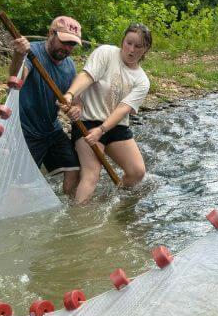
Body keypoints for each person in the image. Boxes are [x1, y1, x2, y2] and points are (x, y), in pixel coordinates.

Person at [62, 24, 152, 204]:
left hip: (114, 125)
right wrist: (70, 95)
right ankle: (78, 217)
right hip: (87, 121)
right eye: (128, 43)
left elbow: (122, 109)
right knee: (92, 173)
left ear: (145, 50)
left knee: (137, 172)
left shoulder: (142, 80)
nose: (131, 50)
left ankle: (111, 199)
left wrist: (102, 130)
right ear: (123, 41)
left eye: (138, 46)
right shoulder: (105, 53)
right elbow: (87, 76)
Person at [9, 15, 83, 197]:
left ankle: (68, 211)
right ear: (50, 33)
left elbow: (75, 99)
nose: (67, 48)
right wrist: (19, 55)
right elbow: (16, 81)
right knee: (20, 185)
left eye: (72, 45)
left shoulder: (70, 65)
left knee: (74, 168)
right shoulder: (31, 54)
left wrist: (76, 108)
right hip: (25, 132)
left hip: (51, 129)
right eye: (64, 42)